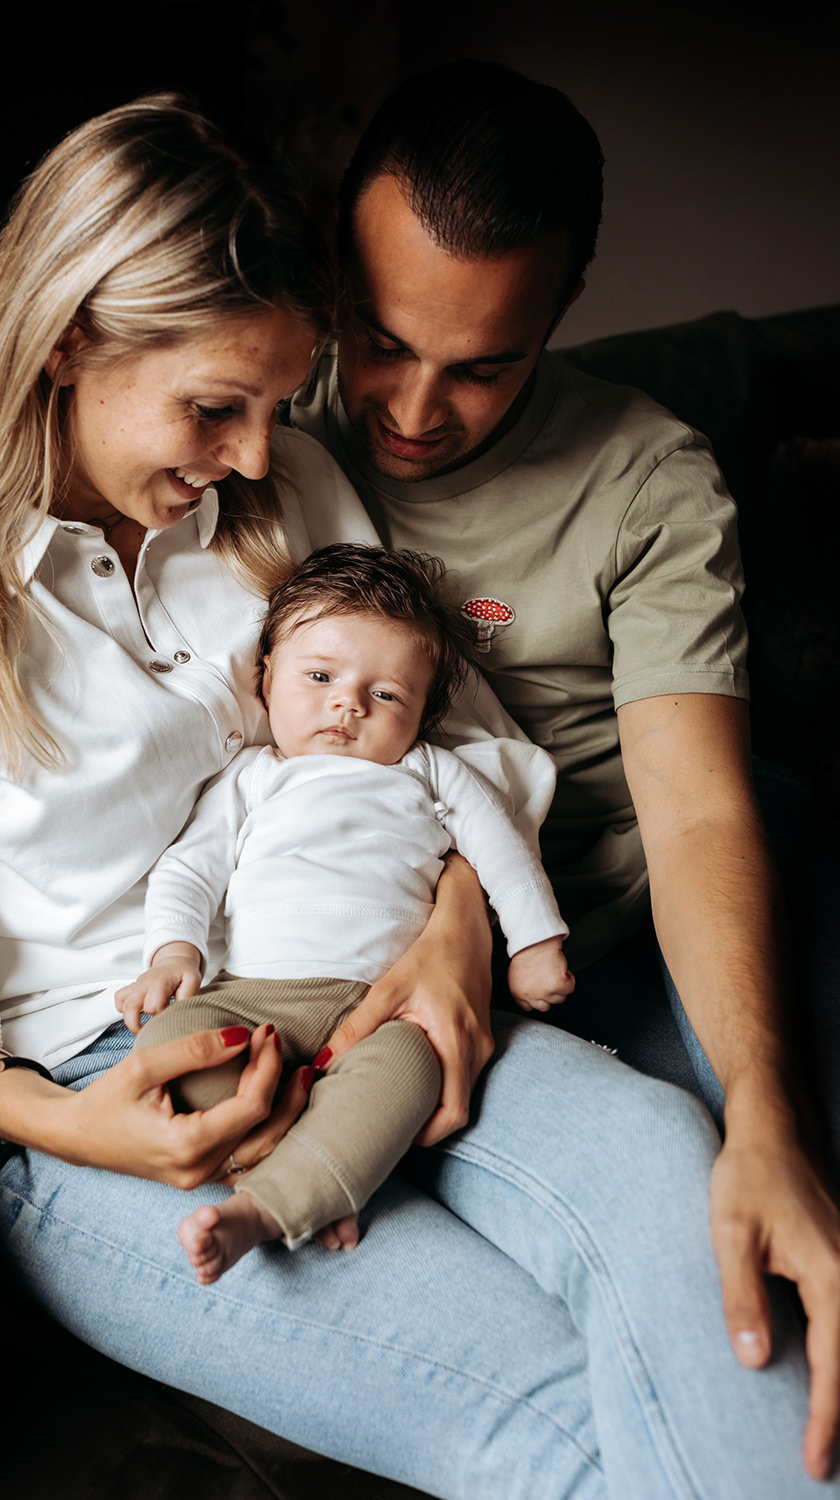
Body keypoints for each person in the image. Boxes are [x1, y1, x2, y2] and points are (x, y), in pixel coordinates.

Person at [0, 89, 834, 1499]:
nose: (257, 453)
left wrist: (450, 934)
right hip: (100, 1076)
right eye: (214, 407)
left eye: (269, 404)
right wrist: (73, 1124)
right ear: (64, 338)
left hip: (371, 990)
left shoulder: (282, 485)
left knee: (671, 1171)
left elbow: (460, 737)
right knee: (550, 1420)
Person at [284, 59, 840, 1481]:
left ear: (562, 312)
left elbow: (701, 807)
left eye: (481, 365)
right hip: (411, 943)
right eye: (381, 338)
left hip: (639, 909)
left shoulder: (648, 476)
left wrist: (765, 1107)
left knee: (785, 1210)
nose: (409, 410)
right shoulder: (264, 424)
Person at [119, 542, 571, 1282]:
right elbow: (190, 868)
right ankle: (314, 1165)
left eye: (387, 694)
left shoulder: (430, 772)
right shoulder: (254, 778)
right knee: (167, 1046)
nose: (348, 704)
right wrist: (175, 953)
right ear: (265, 679)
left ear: (423, 715)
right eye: (321, 676)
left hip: (386, 1009)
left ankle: (264, 1207)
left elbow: (505, 855)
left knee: (407, 1080)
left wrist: (534, 943)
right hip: (254, 995)